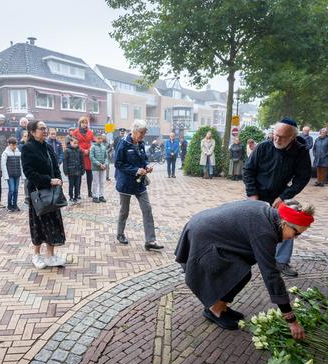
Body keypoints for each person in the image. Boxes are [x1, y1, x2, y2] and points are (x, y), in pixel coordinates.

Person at [175, 199, 314, 334]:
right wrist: (291, 319)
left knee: (241, 268)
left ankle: (221, 306)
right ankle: (214, 310)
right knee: (239, 273)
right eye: (296, 233)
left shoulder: (267, 211)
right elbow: (271, 274)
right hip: (202, 239)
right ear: (284, 223)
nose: (295, 238)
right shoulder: (265, 232)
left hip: (203, 228)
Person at [243, 118, 311, 277]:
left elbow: (302, 178)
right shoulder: (262, 148)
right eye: (275, 134)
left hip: (281, 195)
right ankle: (247, 257)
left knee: (288, 225)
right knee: (250, 225)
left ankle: (281, 261)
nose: (277, 139)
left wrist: (283, 197)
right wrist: (253, 195)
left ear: (292, 138)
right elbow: (248, 171)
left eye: (282, 137)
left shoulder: (300, 152)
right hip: (257, 193)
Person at [21, 120, 67, 269]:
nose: (45, 131)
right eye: (41, 129)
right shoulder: (27, 148)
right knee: (38, 225)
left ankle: (50, 256)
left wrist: (59, 179)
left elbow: (55, 166)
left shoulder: (47, 147)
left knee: (53, 224)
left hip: (52, 191)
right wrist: (49, 180)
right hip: (38, 192)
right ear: (33, 132)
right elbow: (29, 172)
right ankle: (36, 255)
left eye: (45, 128)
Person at [114, 119, 164, 251]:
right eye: (141, 133)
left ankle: (150, 241)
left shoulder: (140, 144)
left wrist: (147, 166)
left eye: (144, 133)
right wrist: (135, 170)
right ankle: (120, 234)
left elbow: (144, 158)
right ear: (135, 131)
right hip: (125, 183)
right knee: (124, 211)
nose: (143, 136)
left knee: (147, 209)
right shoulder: (123, 144)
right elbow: (118, 164)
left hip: (140, 183)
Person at [72, 116, 95, 198]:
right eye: (83, 123)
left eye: (86, 123)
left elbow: (93, 142)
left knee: (89, 175)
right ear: (80, 123)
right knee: (79, 176)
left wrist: (88, 150)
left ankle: (90, 192)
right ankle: (78, 193)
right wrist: (83, 150)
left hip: (88, 156)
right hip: (79, 155)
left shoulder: (90, 132)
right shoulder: (75, 132)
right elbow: (74, 143)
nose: (85, 124)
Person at [2, 137, 23, 212]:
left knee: (16, 190)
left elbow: (21, 164)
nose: (14, 146)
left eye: (15, 145)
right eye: (13, 145)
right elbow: (3, 165)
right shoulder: (5, 153)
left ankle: (15, 204)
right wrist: (6, 176)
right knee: (11, 190)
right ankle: (9, 205)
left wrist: (22, 176)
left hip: (17, 174)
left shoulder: (18, 152)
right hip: (10, 175)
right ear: (9, 144)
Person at [63, 137, 84, 203]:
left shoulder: (79, 150)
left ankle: (76, 196)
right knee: (71, 185)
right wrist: (66, 171)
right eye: (74, 143)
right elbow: (65, 162)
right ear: (71, 142)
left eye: (77, 143)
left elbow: (82, 161)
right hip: (71, 171)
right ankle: (71, 197)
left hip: (78, 171)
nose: (76, 144)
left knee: (77, 185)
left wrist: (83, 169)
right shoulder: (67, 150)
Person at [90, 133, 108, 203]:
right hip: (95, 168)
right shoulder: (93, 147)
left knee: (102, 182)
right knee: (95, 182)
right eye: (98, 138)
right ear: (95, 138)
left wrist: (105, 164)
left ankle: (101, 195)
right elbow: (91, 157)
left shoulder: (104, 147)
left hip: (103, 168)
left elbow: (106, 157)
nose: (100, 140)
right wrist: (99, 164)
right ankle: (95, 196)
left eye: (101, 138)